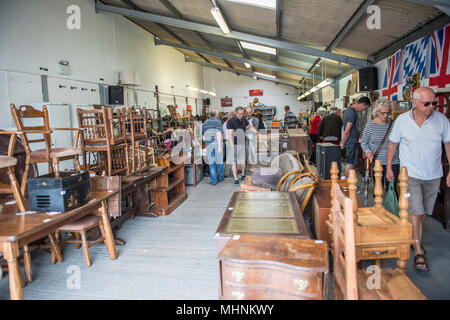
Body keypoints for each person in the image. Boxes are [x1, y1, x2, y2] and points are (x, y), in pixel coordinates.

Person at [386, 87, 450, 272]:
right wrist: (390, 167)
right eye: (427, 103)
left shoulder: (442, 121)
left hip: (433, 174)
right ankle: (418, 250)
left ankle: (413, 237)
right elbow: (393, 144)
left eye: (434, 103)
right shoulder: (402, 121)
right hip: (409, 174)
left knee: (423, 213)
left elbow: (448, 145)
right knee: (415, 211)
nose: (432, 107)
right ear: (414, 102)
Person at [360, 98, 400, 191]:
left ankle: (391, 206)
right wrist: (368, 151)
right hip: (377, 162)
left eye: (388, 112)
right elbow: (364, 143)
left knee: (392, 188)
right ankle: (377, 205)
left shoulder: (394, 124)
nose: (386, 115)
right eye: (383, 113)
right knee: (378, 188)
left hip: (394, 161)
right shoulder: (370, 125)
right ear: (377, 112)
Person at [340, 96, 371, 178]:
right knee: (350, 163)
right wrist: (342, 143)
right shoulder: (352, 113)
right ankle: (348, 184)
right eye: (365, 108)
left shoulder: (347, 111)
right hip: (351, 142)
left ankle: (348, 183)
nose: (363, 110)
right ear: (363, 104)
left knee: (351, 162)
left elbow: (343, 128)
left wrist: (342, 141)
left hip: (350, 141)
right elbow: (347, 131)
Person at [227, 106, 258, 185]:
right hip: (234, 144)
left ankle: (243, 174)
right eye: (239, 114)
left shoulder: (244, 119)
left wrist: (257, 132)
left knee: (243, 160)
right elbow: (229, 135)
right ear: (235, 113)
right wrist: (232, 146)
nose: (241, 115)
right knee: (234, 162)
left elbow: (250, 127)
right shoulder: (230, 121)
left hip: (242, 143)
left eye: (242, 114)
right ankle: (236, 178)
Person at [202, 109, 224, 185]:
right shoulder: (218, 121)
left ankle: (214, 180)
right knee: (219, 161)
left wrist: (206, 144)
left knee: (211, 163)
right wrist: (220, 146)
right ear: (216, 114)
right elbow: (218, 133)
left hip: (209, 144)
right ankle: (220, 178)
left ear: (209, 114)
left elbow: (203, 136)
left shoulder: (205, 122)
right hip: (217, 143)